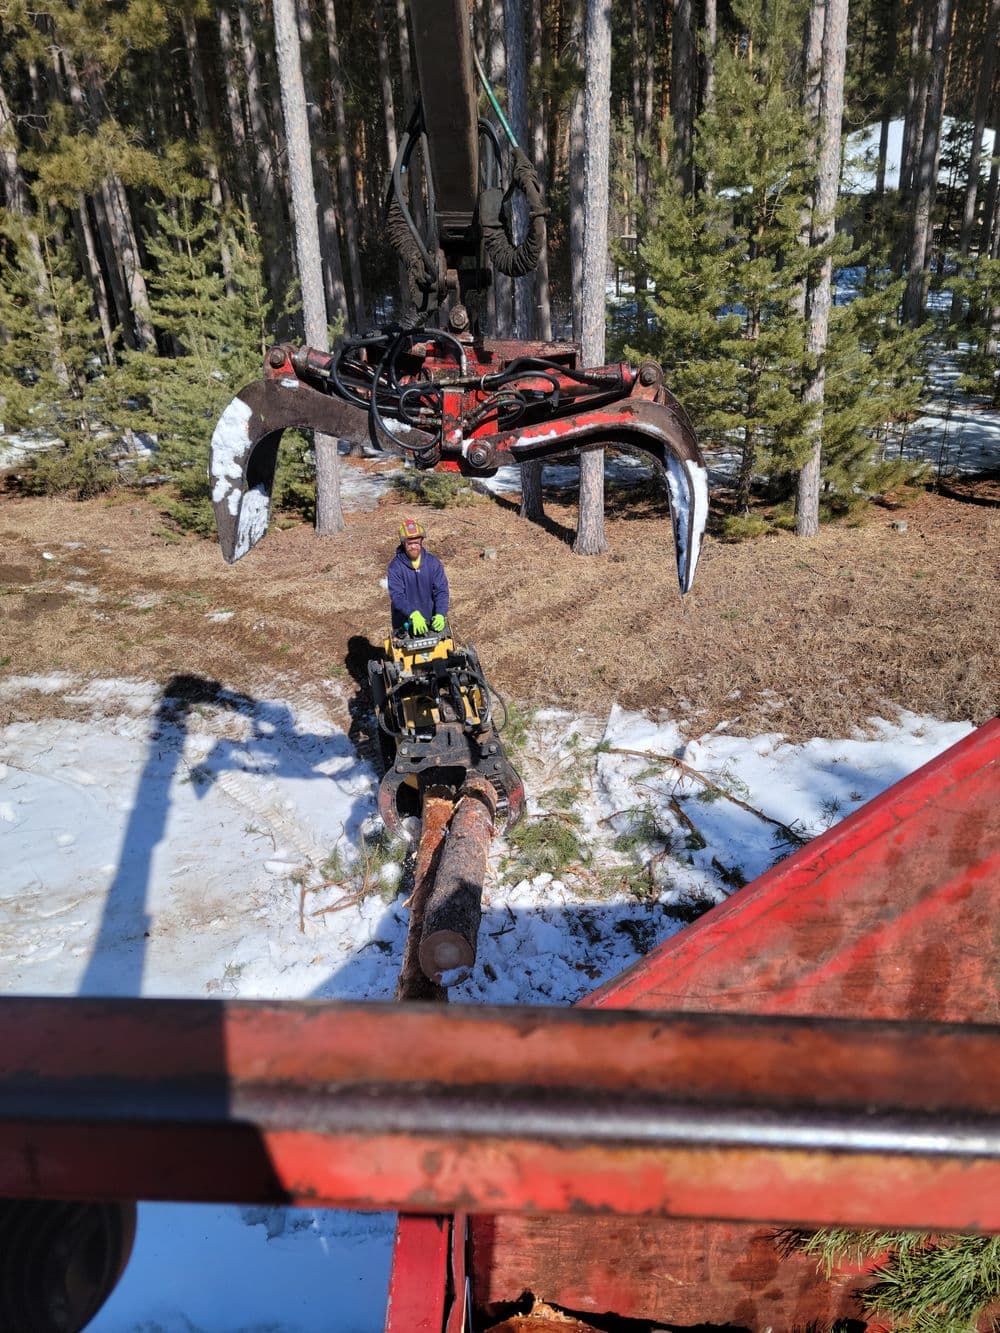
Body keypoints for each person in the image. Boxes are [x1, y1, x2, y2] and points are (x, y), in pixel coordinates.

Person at [387, 517, 449, 634]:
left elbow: (441, 591)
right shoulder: (395, 567)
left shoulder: (433, 563)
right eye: (410, 543)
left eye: (417, 542)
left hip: (430, 620)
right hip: (404, 622)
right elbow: (397, 596)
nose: (414, 546)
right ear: (403, 543)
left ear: (421, 541)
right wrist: (413, 614)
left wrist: (440, 613)